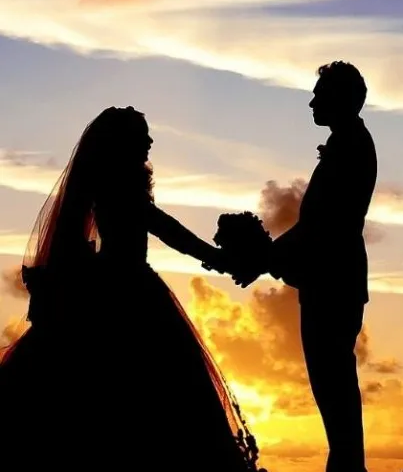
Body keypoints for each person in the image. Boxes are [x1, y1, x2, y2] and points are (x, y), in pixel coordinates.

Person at [0, 107, 265, 471]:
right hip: (127, 295)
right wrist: (217, 258)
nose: (150, 141)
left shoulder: (119, 183)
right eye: (143, 135)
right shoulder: (118, 185)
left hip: (120, 287)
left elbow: (165, 227)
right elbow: (166, 228)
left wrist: (216, 257)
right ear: (123, 143)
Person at [226, 62, 376, 472]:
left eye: (319, 93)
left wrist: (263, 257)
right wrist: (268, 257)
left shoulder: (350, 147)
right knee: (334, 391)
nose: (312, 101)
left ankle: (347, 469)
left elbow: (321, 227)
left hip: (333, 283)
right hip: (331, 281)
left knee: (335, 390)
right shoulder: (349, 143)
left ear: (341, 99)